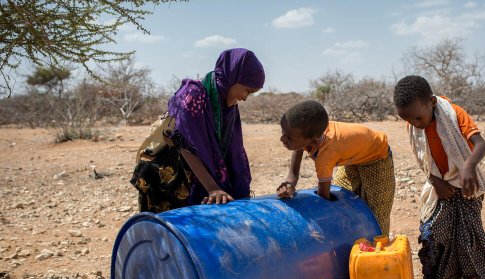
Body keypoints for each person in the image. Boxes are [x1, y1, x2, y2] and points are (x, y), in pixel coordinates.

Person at [393, 75, 485, 279]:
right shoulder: (414, 124)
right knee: (431, 234)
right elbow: (424, 161)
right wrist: (436, 182)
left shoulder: (454, 114)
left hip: (467, 187)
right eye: (407, 119)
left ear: (431, 102)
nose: (414, 123)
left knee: (467, 240)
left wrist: (468, 167)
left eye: (417, 117)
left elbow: (480, 144)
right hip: (441, 187)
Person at [131, 48, 265, 212]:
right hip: (169, 177)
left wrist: (234, 189)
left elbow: (233, 151)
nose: (245, 97)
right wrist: (212, 188)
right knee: (168, 229)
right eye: (247, 90)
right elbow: (184, 143)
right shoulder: (193, 94)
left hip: (198, 178)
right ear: (233, 76)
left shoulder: (229, 108)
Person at [276, 100, 395, 236]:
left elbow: (324, 197)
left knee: (377, 211)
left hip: (376, 157)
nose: (282, 139)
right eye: (282, 132)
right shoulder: (306, 134)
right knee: (343, 196)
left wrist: (319, 229)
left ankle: (378, 248)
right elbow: (293, 174)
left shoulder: (325, 154)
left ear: (313, 141)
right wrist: (289, 184)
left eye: (288, 137)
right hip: (352, 158)